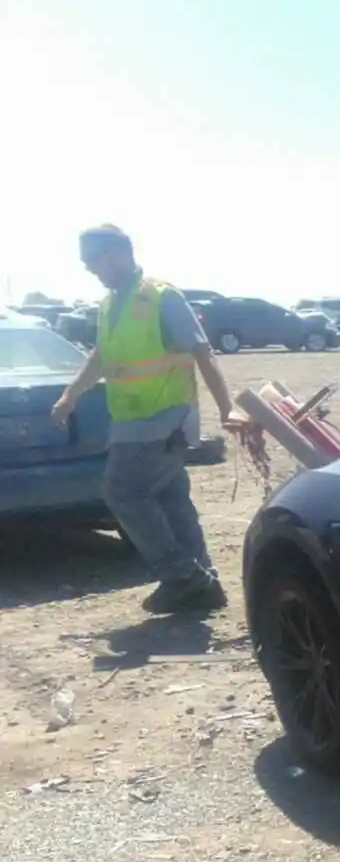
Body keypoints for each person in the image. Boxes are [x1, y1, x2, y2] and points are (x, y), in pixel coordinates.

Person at [49, 224, 244, 614]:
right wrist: (71, 394)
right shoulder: (109, 304)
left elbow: (203, 352)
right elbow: (101, 357)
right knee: (171, 497)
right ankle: (202, 581)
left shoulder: (161, 298)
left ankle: (184, 578)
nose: (90, 270)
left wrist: (227, 408)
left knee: (122, 492)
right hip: (131, 419)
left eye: (94, 261)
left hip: (163, 417)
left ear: (118, 253)